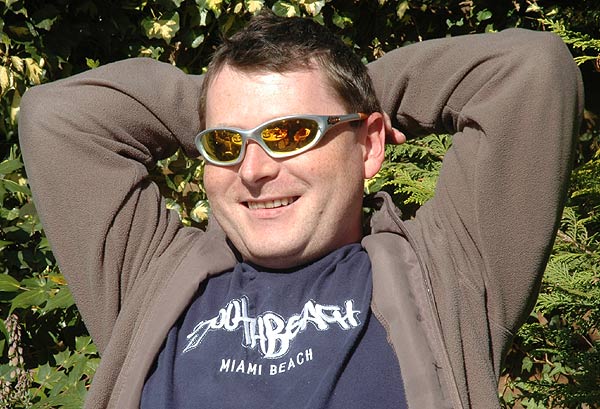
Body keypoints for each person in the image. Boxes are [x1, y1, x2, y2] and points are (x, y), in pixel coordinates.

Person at [18, 11, 582, 409]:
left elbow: (530, 69)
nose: (253, 170)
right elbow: (56, 116)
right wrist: (231, 93)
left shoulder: (445, 275)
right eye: (226, 143)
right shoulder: (151, 278)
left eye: (288, 134)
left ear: (370, 146)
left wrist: (349, 94)